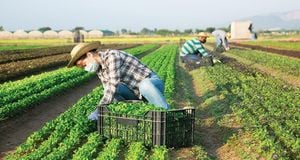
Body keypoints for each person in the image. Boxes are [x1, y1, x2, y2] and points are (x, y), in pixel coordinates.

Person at [67, 42, 170, 120]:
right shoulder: (99, 68)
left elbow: (113, 84)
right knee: (112, 91)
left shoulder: (112, 56)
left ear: (89, 55)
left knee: (144, 84)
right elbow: (108, 90)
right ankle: (132, 115)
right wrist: (103, 110)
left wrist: (99, 110)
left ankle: (166, 115)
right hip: (135, 92)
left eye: (84, 65)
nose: (86, 68)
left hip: (152, 85)